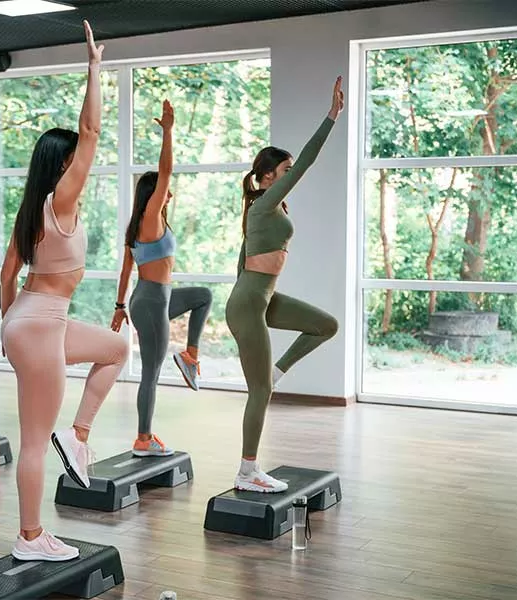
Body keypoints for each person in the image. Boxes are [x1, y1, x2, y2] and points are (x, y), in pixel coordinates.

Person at [0, 21, 127, 562]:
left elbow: (7, 275)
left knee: (116, 348)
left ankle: (78, 434)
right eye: (74, 160)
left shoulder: (31, 210)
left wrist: (6, 328)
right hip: (40, 322)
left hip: (32, 318)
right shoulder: (59, 202)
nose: (83, 166)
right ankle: (30, 537)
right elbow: (91, 132)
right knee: (33, 440)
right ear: (62, 165)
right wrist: (94, 68)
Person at [227, 77, 344, 493]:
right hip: (249, 302)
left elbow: (243, 259)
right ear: (266, 177)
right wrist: (331, 117)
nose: (290, 177)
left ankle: (277, 371)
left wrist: (249, 300)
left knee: (325, 325)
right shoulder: (263, 205)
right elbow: (308, 161)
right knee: (259, 391)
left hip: (259, 298)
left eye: (289, 173)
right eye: (284, 172)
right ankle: (247, 472)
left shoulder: (262, 209)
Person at [110, 99, 211, 458]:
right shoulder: (150, 219)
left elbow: (126, 270)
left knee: (203, 296)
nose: (170, 192)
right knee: (150, 373)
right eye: (164, 190)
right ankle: (143, 438)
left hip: (153, 297)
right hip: (152, 301)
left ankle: (190, 356)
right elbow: (165, 171)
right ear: (153, 195)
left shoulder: (143, 224)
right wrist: (168, 132)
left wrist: (119, 306)